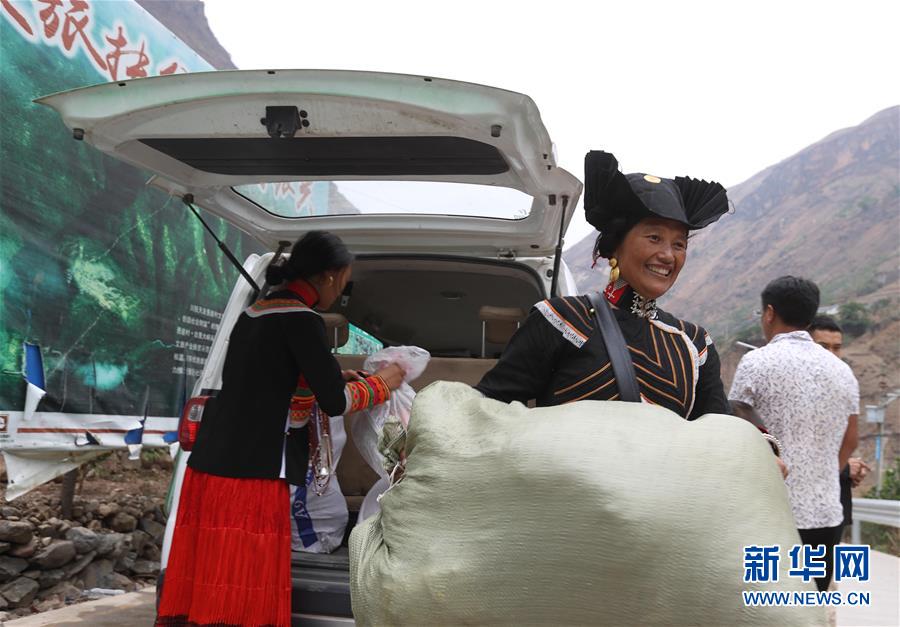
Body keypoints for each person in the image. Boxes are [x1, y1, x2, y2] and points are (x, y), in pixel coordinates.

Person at [156, 231, 404, 627]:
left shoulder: (255, 312)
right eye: (343, 283)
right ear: (328, 276)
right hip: (255, 469)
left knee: (212, 572)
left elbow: (267, 377)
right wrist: (382, 384)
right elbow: (335, 402)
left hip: (212, 464)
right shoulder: (302, 319)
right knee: (244, 576)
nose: (340, 292)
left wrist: (332, 376)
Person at [477, 151, 732, 419]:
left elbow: (719, 428)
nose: (668, 255)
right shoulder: (562, 320)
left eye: (679, 244)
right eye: (654, 238)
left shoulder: (694, 343)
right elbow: (491, 408)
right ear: (615, 245)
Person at [729, 278, 859, 592]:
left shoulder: (756, 363)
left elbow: (735, 430)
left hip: (769, 515)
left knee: (763, 605)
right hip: (826, 515)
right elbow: (851, 438)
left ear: (769, 313)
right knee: (810, 607)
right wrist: (824, 473)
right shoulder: (843, 372)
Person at [808, 315, 871, 537]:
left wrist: (850, 467)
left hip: (834, 505)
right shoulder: (794, 391)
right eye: (823, 347)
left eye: (837, 348)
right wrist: (845, 469)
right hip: (802, 510)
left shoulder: (844, 386)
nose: (831, 354)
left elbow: (845, 442)